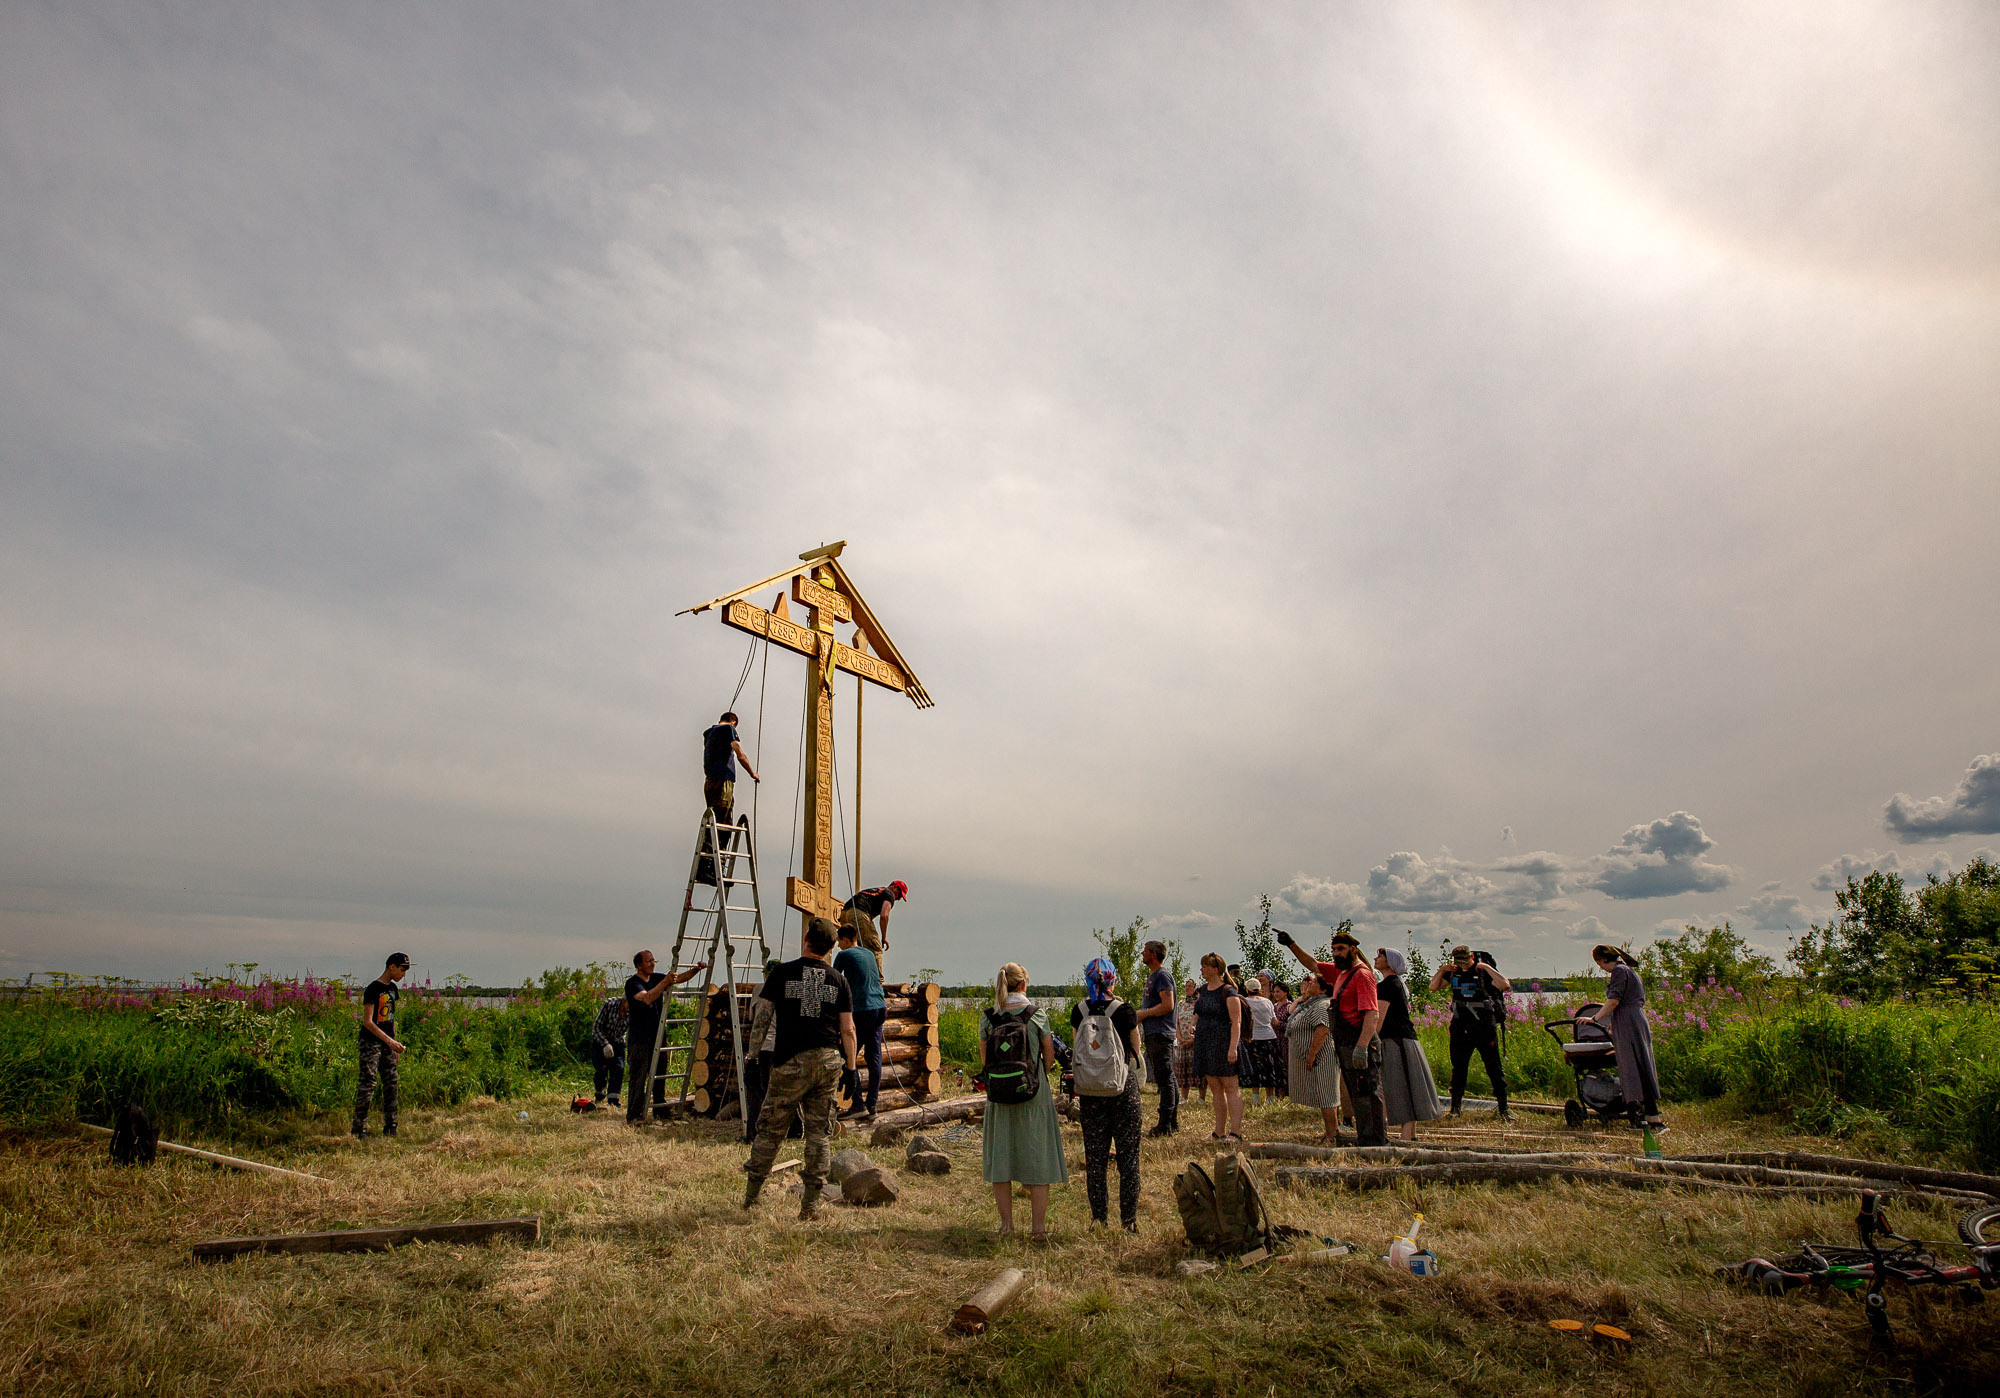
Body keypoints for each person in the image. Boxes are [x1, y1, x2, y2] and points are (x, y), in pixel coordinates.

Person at [743, 918, 858, 1220]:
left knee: (770, 1129)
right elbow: (848, 1030)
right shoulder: (838, 979)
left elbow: (763, 1017)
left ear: (806, 938)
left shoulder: (782, 973)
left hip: (790, 1062)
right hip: (827, 1060)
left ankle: (752, 1196)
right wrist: (851, 1067)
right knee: (819, 1133)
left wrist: (753, 1057)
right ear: (832, 946)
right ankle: (810, 1206)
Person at [979, 962, 1068, 1240]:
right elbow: (1050, 1057)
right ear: (1024, 984)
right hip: (1033, 1091)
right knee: (1038, 1155)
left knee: (1001, 1157)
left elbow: (984, 1061)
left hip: (998, 1094)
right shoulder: (1036, 1015)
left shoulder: (988, 1017)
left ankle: (1006, 1226)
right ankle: (1038, 1229)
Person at [1277, 928, 1386, 1145]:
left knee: (1368, 1092)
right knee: (1356, 1093)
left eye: (1341, 949)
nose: (1336, 953)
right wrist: (1291, 944)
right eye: (1334, 949)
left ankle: (1376, 1142)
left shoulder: (1362, 975)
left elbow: (1372, 1014)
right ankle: (1365, 1138)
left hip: (1360, 1040)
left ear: (1353, 950)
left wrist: (1362, 1047)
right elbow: (1313, 964)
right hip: (1346, 1040)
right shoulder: (1341, 973)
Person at [1069, 956, 1144, 1231]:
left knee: (1096, 1158)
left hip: (1090, 1091)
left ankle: (1099, 1219)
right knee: (1128, 1157)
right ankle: (1129, 1221)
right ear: (1112, 978)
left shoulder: (1079, 1010)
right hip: (1122, 1089)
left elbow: (1079, 1046)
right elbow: (1135, 1049)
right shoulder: (1125, 1010)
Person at [1428, 944, 1512, 1120]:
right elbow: (1434, 987)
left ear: (1471, 957)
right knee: (1459, 1068)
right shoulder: (1453, 972)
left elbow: (1504, 985)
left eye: (1465, 961)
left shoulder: (1483, 972)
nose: (1462, 964)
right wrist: (1442, 970)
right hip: (1460, 1026)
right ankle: (1455, 1109)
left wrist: (1487, 967)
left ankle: (1504, 1108)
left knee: (1493, 1066)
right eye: (1458, 961)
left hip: (1484, 1026)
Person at [624, 949, 708, 1124]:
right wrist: (665, 983)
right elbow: (647, 998)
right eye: (648, 961)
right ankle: (634, 1115)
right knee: (639, 1076)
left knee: (659, 1074)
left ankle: (660, 1112)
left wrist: (695, 970)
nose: (652, 963)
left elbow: (680, 978)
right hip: (639, 1038)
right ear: (639, 965)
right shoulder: (633, 983)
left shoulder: (656, 978)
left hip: (658, 1034)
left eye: (653, 960)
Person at [1589, 945, 1665, 1133]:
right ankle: (1649, 1116)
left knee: (1633, 1067)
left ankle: (1647, 1118)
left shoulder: (1619, 971)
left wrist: (1594, 1019)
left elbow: (1613, 1000)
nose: (1601, 968)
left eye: (1599, 964)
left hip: (1629, 1022)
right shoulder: (1629, 971)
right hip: (1634, 1020)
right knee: (1641, 1065)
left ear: (1602, 960)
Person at [1374, 948, 1443, 1142]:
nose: (1375, 959)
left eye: (1380, 956)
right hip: (1404, 1039)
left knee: (1400, 1086)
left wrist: (1370, 1042)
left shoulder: (1388, 986)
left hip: (1396, 1041)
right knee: (1409, 1084)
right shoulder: (1396, 984)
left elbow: (1379, 1018)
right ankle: (1410, 1135)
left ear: (1390, 962)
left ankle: (1406, 1138)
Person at [353, 952, 410, 1140]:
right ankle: (359, 1128)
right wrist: (388, 1041)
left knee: (391, 1082)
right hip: (371, 1042)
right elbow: (368, 1022)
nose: (404, 974)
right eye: (402, 969)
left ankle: (391, 1125)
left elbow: (392, 1018)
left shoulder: (393, 989)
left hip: (388, 1043)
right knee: (368, 1083)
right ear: (391, 967)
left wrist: (394, 1044)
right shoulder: (373, 989)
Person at [834, 922, 887, 1120]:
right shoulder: (869, 953)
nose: (838, 945)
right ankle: (872, 1104)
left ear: (846, 939)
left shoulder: (844, 955)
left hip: (862, 1008)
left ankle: (857, 1104)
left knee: (848, 1054)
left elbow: (833, 979)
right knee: (874, 1056)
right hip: (879, 1006)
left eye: (840, 941)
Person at [1190, 953, 1244, 1141]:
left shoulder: (1229, 991)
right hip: (1206, 1044)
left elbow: (1236, 1022)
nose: (1202, 969)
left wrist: (1233, 1048)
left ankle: (1235, 1132)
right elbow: (1197, 1012)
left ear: (1215, 969)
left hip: (1224, 1043)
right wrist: (1193, 1024)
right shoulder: (1203, 990)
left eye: (1205, 966)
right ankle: (1219, 1131)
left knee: (1230, 1086)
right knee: (1215, 1087)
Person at [1283, 973, 1343, 1143]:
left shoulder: (1322, 1004)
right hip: (1315, 1058)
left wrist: (1312, 1054)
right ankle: (1330, 1131)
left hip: (1322, 1057)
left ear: (1324, 988)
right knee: (1322, 1094)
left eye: (1315, 982)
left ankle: (1333, 1134)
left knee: (1326, 1095)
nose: (1310, 984)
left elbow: (1322, 1029)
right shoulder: (1312, 1003)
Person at [1134, 940, 1179, 1136]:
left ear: (1153, 954)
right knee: (1167, 1077)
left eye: (1144, 951)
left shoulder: (1162, 976)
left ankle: (1165, 1125)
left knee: (1165, 1079)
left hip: (1161, 1033)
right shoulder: (1154, 976)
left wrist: (1143, 1014)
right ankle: (1172, 1121)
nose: (1142, 954)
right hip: (1155, 1032)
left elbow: (1167, 1005)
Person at [741, 958, 782, 1143]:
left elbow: (752, 1017)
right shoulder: (787, 991)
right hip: (779, 1047)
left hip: (760, 1048)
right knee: (777, 1092)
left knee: (757, 1092)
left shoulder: (758, 989)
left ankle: (754, 1132)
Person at [702, 710, 760, 822]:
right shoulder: (729, 728)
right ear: (733, 722)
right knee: (722, 818)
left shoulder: (708, 733)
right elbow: (740, 755)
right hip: (723, 779)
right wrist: (753, 774)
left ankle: (709, 839)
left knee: (713, 818)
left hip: (709, 783)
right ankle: (717, 839)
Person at [839, 881, 907, 973]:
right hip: (859, 914)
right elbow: (884, 916)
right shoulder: (889, 894)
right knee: (875, 949)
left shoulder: (876, 891)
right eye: (899, 895)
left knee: (854, 949)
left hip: (844, 914)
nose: (898, 899)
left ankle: (851, 977)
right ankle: (877, 983)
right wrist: (884, 937)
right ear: (895, 887)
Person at [1241, 977, 1280, 1107]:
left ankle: (1256, 1098)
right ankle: (1270, 1097)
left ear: (1247, 989)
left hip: (1253, 1037)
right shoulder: (1268, 1002)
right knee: (1270, 1067)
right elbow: (1274, 1021)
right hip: (1269, 1036)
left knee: (1254, 1068)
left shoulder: (1245, 1002)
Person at [590, 992, 627, 1109]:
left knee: (618, 1069)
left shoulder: (634, 1011)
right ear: (624, 1001)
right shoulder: (609, 1004)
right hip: (601, 1041)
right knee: (601, 1070)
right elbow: (596, 1027)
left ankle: (613, 1101)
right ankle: (600, 1094)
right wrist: (605, 1044)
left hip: (618, 1042)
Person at [1174, 978, 1202, 1105]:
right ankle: (1184, 1097)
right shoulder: (1180, 1004)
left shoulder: (1200, 1003)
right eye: (1186, 986)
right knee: (1184, 1070)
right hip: (1182, 1041)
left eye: (1190, 986)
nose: (1187, 988)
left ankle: (1201, 1098)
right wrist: (1180, 1038)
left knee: (1198, 1069)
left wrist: (1193, 1039)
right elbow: (1177, 1023)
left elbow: (1201, 1022)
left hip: (1196, 1042)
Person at [1265, 975, 1294, 1099]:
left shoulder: (1290, 1006)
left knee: (1286, 1067)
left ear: (1285, 992)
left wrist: (1279, 1024)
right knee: (1276, 1067)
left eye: (1278, 991)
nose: (1275, 994)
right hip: (1274, 1039)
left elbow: (1293, 1026)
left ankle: (1289, 1093)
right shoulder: (1273, 1006)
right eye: (1274, 991)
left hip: (1286, 1041)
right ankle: (1279, 1094)